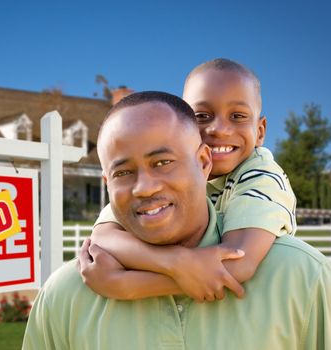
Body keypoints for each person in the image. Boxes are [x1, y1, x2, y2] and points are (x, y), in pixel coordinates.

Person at [22, 92, 331, 349]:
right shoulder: (65, 295)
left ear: (204, 161)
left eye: (163, 162)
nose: (144, 187)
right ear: (107, 184)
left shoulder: (304, 279)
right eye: (123, 172)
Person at [85, 59, 296, 301]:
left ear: (260, 131)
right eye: (202, 116)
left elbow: (237, 263)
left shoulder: (261, 176)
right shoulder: (172, 173)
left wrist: (125, 285)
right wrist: (176, 262)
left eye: (237, 116)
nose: (219, 129)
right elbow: (103, 236)